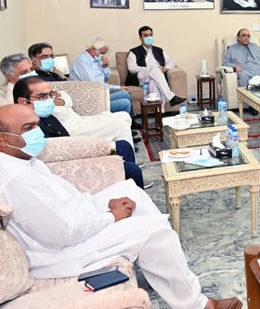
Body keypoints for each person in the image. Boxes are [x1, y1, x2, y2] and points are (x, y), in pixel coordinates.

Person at [0, 104, 243, 309]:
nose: (37, 132)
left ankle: (167, 263)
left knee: (129, 190)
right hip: (59, 253)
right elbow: (60, 233)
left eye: (36, 125)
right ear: (3, 138)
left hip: (73, 223)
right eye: (28, 128)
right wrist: (110, 216)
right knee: (154, 229)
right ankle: (197, 304)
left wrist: (104, 204)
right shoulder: (15, 178)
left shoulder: (22, 158)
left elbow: (67, 197)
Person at [12, 76, 150, 189]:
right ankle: (128, 183)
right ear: (23, 102)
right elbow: (51, 149)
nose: (49, 100)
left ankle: (126, 181)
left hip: (72, 147)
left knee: (124, 146)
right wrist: (103, 147)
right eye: (42, 96)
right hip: (69, 158)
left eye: (50, 95)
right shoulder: (24, 126)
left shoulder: (42, 114)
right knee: (126, 156)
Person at [70, 38, 134, 117]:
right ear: (93, 49)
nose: (103, 56)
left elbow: (106, 79)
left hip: (99, 92)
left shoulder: (96, 58)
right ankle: (123, 123)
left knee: (126, 94)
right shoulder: (82, 61)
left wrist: (105, 66)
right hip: (90, 98)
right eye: (102, 53)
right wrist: (118, 87)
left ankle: (130, 121)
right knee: (125, 103)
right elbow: (95, 85)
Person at [126, 25, 187, 108]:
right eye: (146, 35)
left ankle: (159, 112)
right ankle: (171, 97)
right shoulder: (133, 52)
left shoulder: (159, 50)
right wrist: (150, 69)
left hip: (156, 77)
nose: (149, 37)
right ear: (140, 38)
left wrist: (166, 68)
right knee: (154, 69)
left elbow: (170, 62)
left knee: (153, 83)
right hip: (141, 77)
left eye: (150, 35)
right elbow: (132, 69)